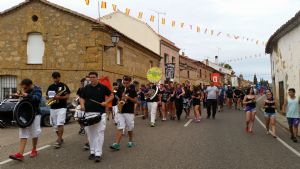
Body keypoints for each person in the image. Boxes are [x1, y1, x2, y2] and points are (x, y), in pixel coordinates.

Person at [80, 72, 113, 162]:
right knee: (91, 135)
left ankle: (98, 153)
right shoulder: (86, 88)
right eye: (90, 77)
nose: (92, 79)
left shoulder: (103, 87)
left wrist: (106, 102)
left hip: (100, 114)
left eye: (94, 77)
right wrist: (82, 105)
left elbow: (111, 95)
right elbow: (81, 98)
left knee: (99, 133)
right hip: (88, 114)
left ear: (97, 78)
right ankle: (92, 151)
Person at [9, 79, 42, 161]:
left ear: (30, 85)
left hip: (35, 114)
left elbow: (37, 99)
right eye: (23, 88)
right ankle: (20, 154)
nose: (24, 89)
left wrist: (26, 95)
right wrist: (18, 95)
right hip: (25, 114)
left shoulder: (37, 90)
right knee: (23, 133)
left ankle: (34, 149)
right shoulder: (25, 90)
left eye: (25, 88)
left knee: (34, 133)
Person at [110, 76, 137, 150]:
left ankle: (130, 140)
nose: (125, 84)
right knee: (120, 127)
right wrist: (119, 100)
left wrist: (128, 98)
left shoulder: (132, 90)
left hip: (129, 112)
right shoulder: (121, 88)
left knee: (130, 128)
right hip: (121, 111)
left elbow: (136, 101)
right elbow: (117, 97)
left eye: (127, 83)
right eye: (124, 83)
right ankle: (116, 144)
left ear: (130, 82)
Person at [46, 72, 70, 149]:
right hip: (53, 107)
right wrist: (49, 97)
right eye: (54, 77)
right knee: (54, 125)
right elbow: (47, 96)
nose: (56, 79)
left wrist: (59, 97)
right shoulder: (50, 86)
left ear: (59, 77)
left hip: (62, 107)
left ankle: (59, 140)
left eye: (57, 77)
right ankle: (60, 137)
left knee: (60, 123)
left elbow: (67, 96)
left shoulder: (64, 86)